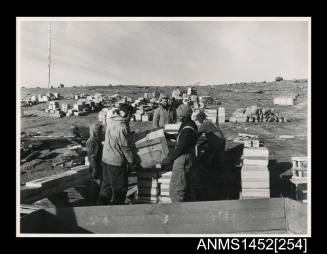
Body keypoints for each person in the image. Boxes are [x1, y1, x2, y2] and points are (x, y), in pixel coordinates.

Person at [100, 104, 137, 205]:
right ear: (125, 114)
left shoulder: (111, 120)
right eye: (130, 115)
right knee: (120, 189)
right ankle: (117, 210)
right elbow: (125, 148)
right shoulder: (122, 127)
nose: (131, 118)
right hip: (116, 162)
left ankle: (101, 207)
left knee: (106, 185)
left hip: (106, 158)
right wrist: (132, 161)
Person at [161, 104, 198, 202]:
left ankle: (178, 211)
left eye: (179, 116)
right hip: (186, 156)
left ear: (185, 116)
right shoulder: (188, 124)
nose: (177, 117)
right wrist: (167, 135)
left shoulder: (188, 129)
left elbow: (181, 147)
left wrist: (169, 158)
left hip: (183, 159)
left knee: (177, 189)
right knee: (187, 187)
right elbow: (180, 137)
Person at [86, 122, 104, 203]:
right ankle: (92, 201)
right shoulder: (92, 142)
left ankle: (95, 200)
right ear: (95, 132)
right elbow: (92, 157)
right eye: (99, 131)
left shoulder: (97, 141)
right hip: (95, 167)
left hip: (98, 166)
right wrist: (95, 169)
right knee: (95, 184)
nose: (101, 133)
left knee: (98, 184)